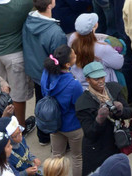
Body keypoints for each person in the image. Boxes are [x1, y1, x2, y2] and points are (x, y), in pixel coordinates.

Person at [74, 60, 132, 176]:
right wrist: (99, 119)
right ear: (88, 80)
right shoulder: (83, 103)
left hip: (115, 143)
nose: (100, 81)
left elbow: (129, 113)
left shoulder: (114, 89)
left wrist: (120, 110)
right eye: (96, 79)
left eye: (102, 77)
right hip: (97, 150)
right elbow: (89, 133)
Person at [40, 44, 85, 176]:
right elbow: (79, 105)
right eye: (74, 56)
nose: (76, 56)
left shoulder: (46, 73)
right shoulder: (74, 84)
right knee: (77, 157)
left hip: (54, 124)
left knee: (56, 155)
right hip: (72, 126)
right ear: (67, 64)